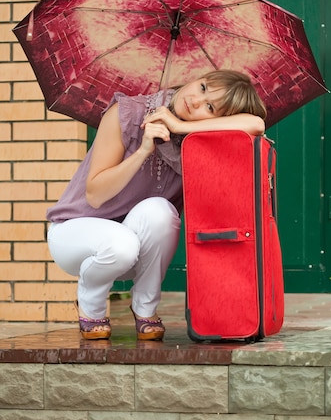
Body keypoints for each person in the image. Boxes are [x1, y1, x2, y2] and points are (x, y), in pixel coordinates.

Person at [46, 70, 266, 341]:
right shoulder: (127, 114)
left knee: (161, 210)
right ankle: (91, 307)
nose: (196, 100)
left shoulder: (198, 142)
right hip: (75, 235)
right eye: (203, 87)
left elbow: (256, 124)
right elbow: (95, 194)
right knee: (121, 243)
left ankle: (145, 309)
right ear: (193, 79)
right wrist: (143, 151)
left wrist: (179, 126)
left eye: (210, 107)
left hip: (135, 249)